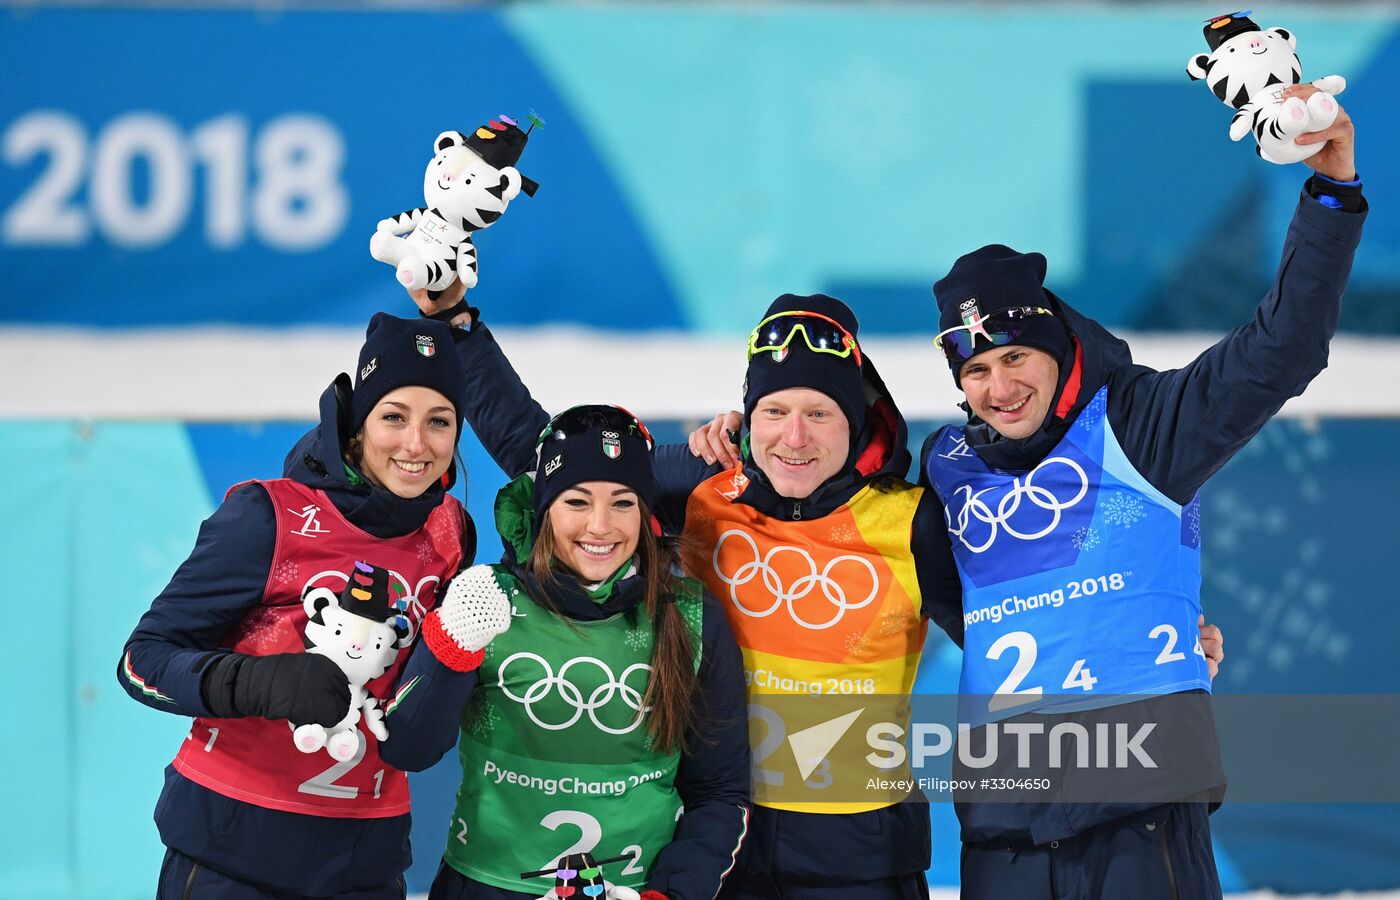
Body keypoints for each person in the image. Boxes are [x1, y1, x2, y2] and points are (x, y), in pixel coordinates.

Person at [411, 284, 1224, 898]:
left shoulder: (912, 520)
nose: (794, 437)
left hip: (863, 863)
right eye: (774, 411)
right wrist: (456, 323)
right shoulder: (702, 488)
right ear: (746, 416)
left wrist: (1144, 654)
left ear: (857, 419)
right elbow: (559, 465)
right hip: (717, 843)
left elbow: (1021, 621)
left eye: (819, 414)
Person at [917, 83, 1362, 898]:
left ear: (1055, 345)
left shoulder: (1140, 424)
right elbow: (949, 596)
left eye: (1016, 356)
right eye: (975, 369)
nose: (999, 385)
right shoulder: (948, 465)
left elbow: (1283, 348)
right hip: (1000, 835)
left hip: (1138, 822)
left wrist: (1331, 190)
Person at [118, 312, 475, 899]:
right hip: (231, 853)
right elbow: (141, 662)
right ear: (356, 426)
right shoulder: (267, 517)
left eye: (439, 422)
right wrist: (259, 681)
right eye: (393, 416)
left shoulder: (450, 535)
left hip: (365, 863)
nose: (416, 444)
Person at [376, 404, 751, 900]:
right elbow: (407, 748)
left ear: (645, 513)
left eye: (623, 503)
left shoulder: (690, 616)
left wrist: (669, 894)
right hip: (485, 887)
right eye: (576, 501)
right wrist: (450, 644)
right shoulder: (489, 600)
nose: (600, 526)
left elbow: (720, 793)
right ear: (544, 508)